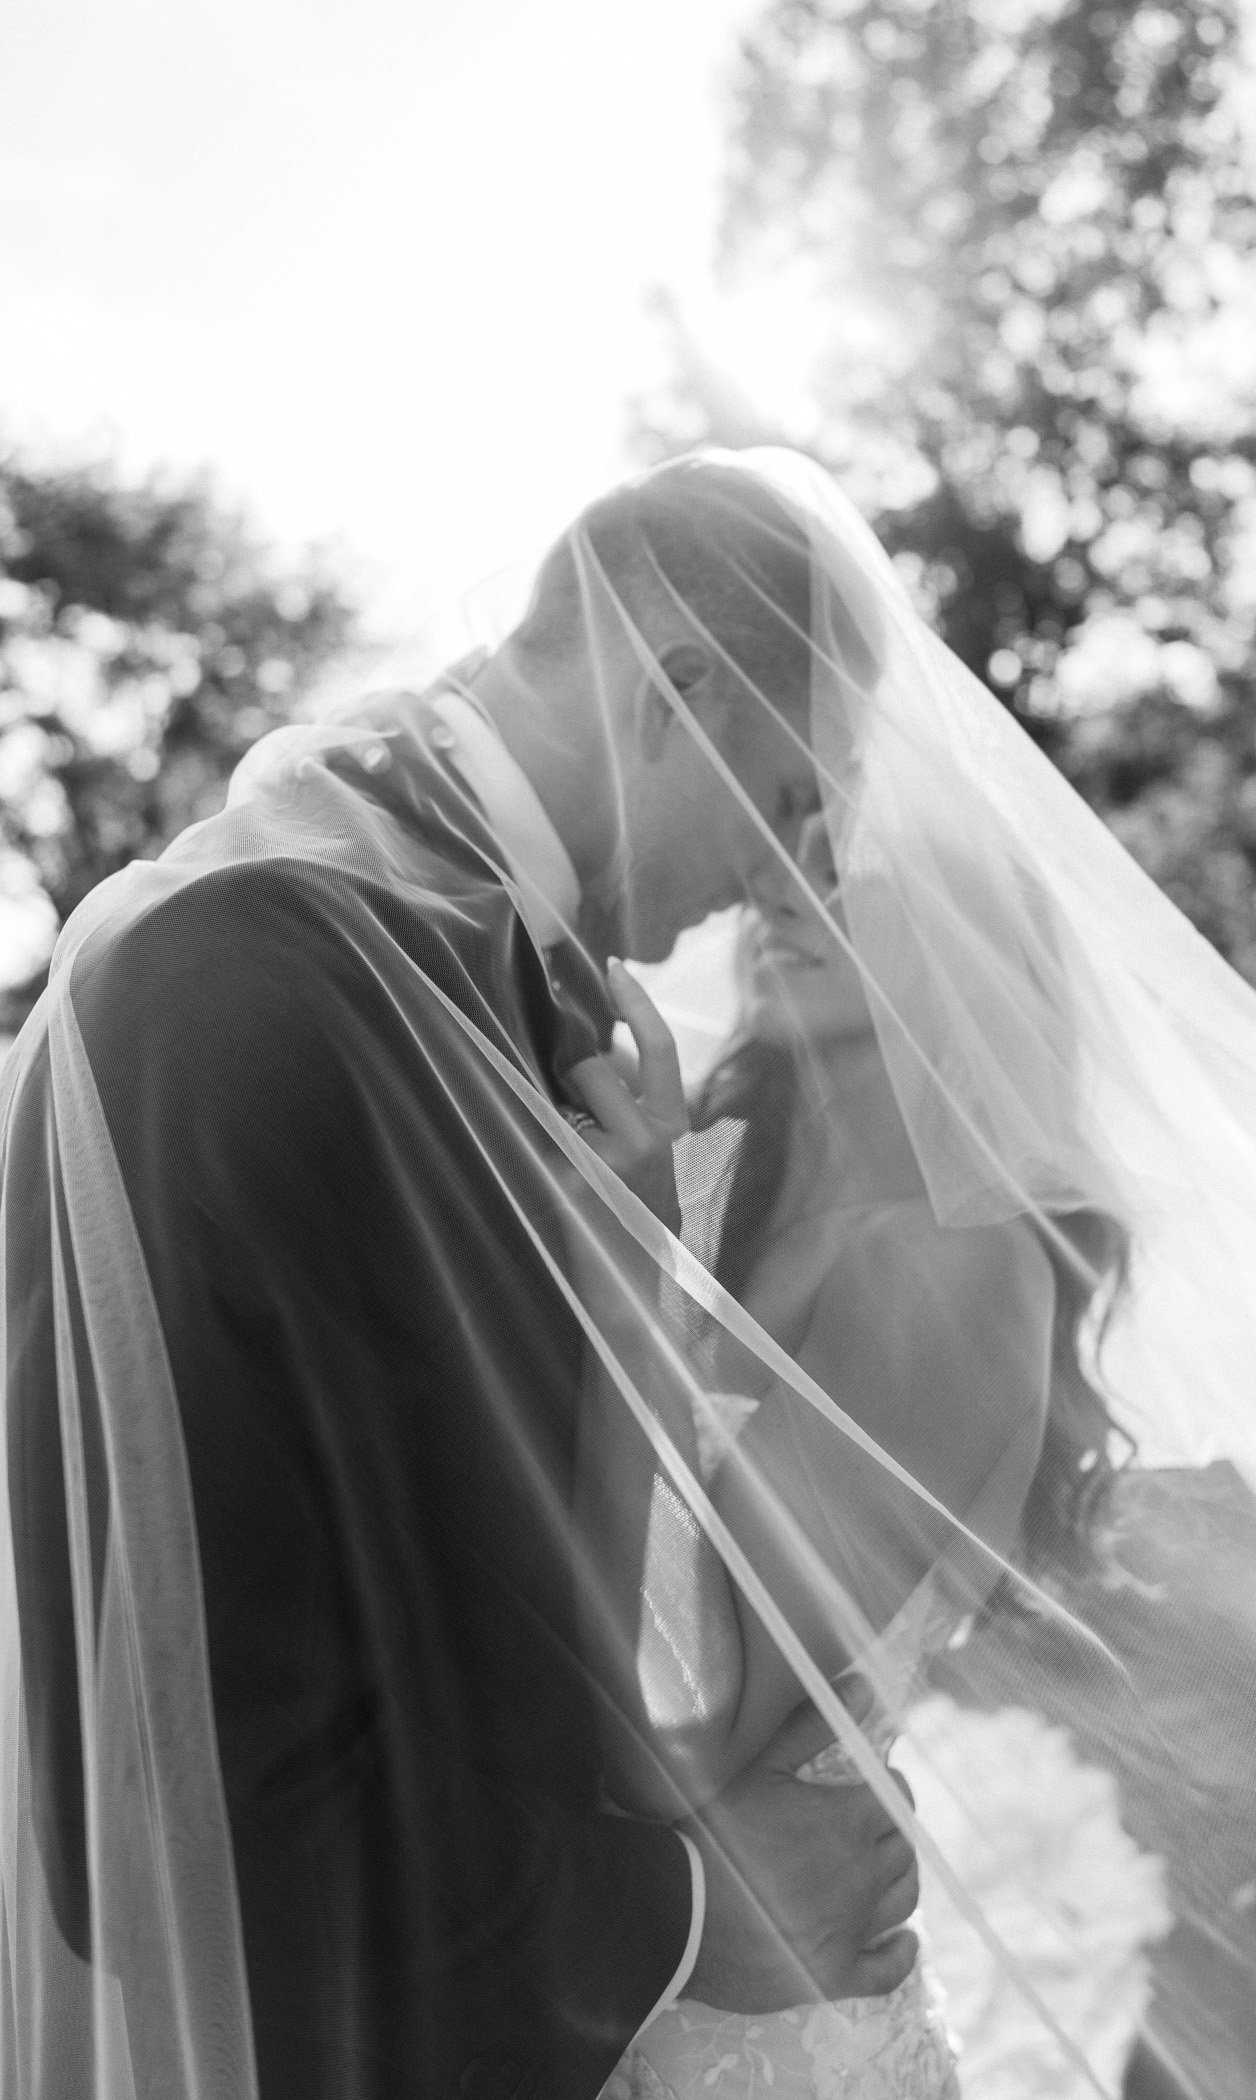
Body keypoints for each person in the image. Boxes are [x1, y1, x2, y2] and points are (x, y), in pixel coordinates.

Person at [0, 458, 920, 2100]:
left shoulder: (447, 964)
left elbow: (484, 1611)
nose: (787, 876)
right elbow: (165, 1790)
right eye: (787, 797)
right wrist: (699, 1917)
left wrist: (625, 1286)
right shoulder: (261, 969)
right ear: (677, 690)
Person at [582, 823, 1169, 2097]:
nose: (778, 897)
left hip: (750, 2041)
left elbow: (675, 1732)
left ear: (972, 964)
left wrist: (636, 1286)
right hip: (599, 1995)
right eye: (783, 866)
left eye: (846, 878)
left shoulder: (953, 1265)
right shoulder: (717, 1188)